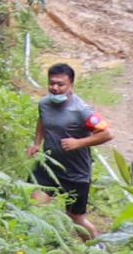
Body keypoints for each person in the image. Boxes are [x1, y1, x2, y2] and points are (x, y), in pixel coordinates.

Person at [33, 62, 113, 228]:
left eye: (60, 84)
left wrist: (79, 143)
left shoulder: (82, 110)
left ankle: (96, 250)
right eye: (52, 83)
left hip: (76, 173)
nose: (55, 88)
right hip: (48, 167)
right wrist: (36, 143)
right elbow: (42, 120)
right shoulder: (44, 104)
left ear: (71, 85)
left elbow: (107, 134)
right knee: (34, 208)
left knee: (76, 218)